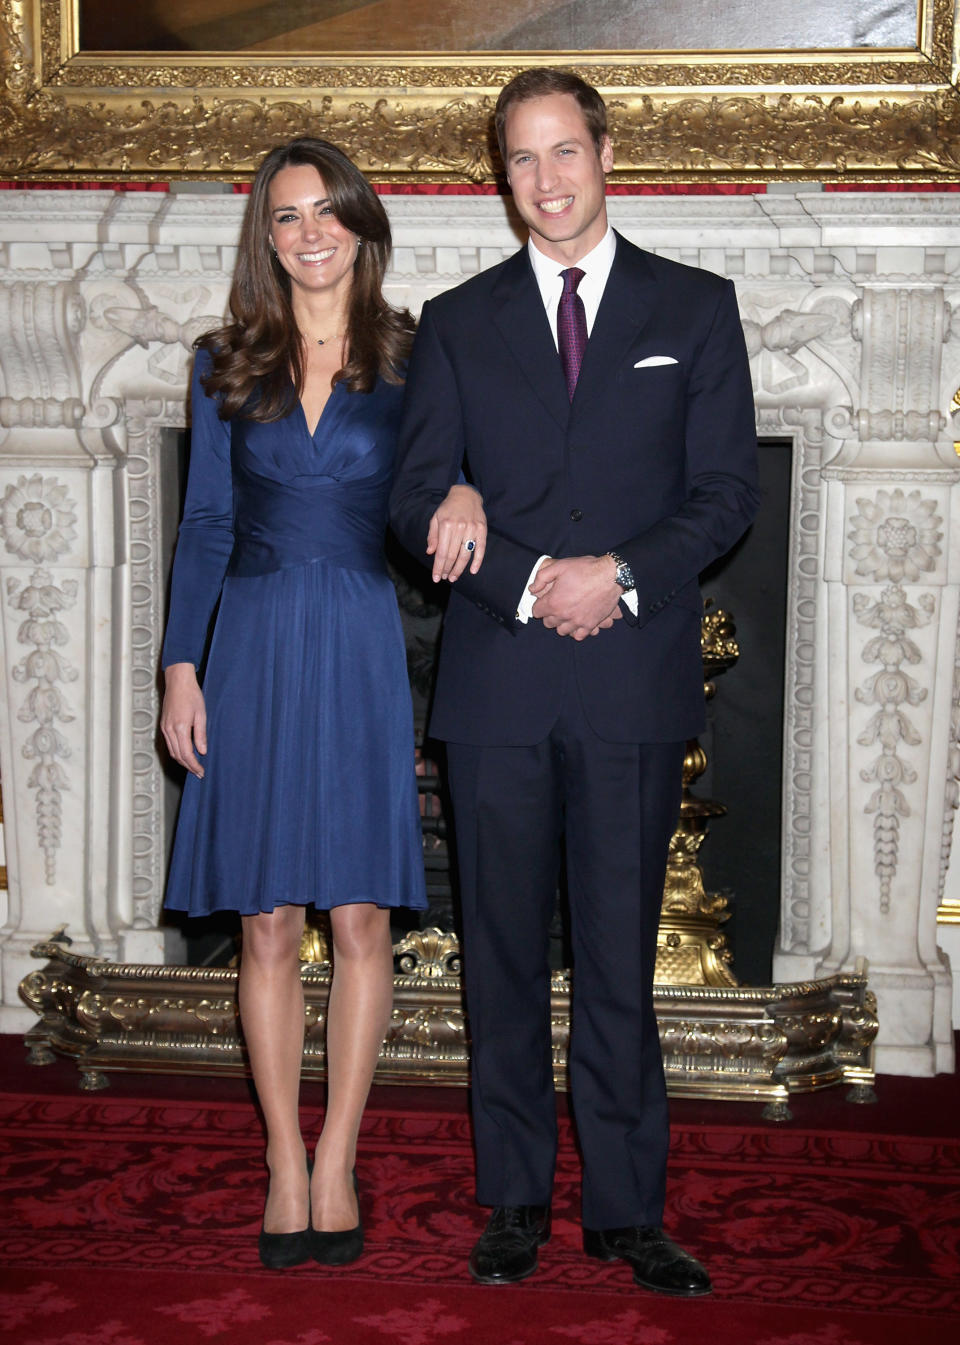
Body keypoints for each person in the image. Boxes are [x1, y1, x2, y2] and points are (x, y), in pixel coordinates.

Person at [389, 69, 759, 1295]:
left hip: (632, 680)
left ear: (605, 153)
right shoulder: (455, 319)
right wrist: (523, 566)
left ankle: (625, 1210)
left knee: (616, 953)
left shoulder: (695, 310)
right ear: (501, 179)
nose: (544, 181)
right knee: (496, 952)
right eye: (519, 161)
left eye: (563, 152)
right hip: (496, 684)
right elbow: (415, 495)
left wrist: (619, 576)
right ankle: (511, 1203)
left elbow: (726, 497)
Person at [159, 137, 485, 1270]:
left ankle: (338, 1153)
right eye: (288, 216)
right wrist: (179, 667)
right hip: (246, 640)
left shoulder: (414, 356)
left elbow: (439, 483)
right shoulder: (223, 364)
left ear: (361, 224)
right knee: (263, 919)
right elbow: (204, 526)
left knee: (356, 917)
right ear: (268, 233)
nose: (310, 234)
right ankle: (281, 1160)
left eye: (327, 212)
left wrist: (465, 488)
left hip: (353, 637)